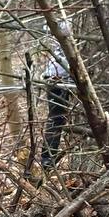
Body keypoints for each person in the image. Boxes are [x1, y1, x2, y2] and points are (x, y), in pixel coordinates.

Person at [41, 20, 73, 169]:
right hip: (58, 78)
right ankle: (47, 158)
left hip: (62, 76)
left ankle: (48, 157)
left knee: (58, 117)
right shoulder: (62, 22)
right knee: (56, 117)